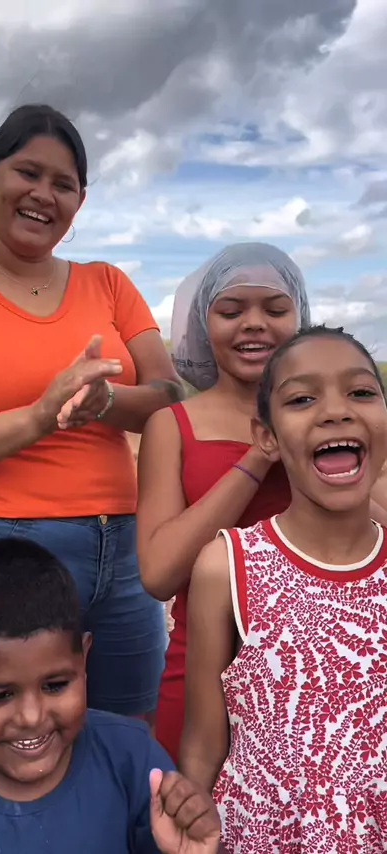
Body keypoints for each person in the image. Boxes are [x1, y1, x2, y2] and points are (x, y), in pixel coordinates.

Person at [0, 103, 183, 721]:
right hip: (0, 551)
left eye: (64, 184)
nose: (43, 195)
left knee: (128, 737)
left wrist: (106, 402)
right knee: (19, 743)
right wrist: (39, 417)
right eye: (28, 173)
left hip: (127, 552)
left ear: (80, 201)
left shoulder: (109, 284)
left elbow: (168, 397)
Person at [181, 325, 387, 851]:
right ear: (267, 437)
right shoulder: (226, 566)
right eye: (301, 399)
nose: (336, 411)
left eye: (361, 392)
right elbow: (203, 746)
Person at [0, 537, 221, 854]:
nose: (32, 717)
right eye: (0, 695)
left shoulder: (136, 764)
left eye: (55, 686)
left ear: (83, 663)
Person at [137, 242, 310, 762]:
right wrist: (258, 458)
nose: (253, 323)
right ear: (202, 323)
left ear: (300, 318)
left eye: (275, 309)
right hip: (199, 678)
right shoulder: (171, 425)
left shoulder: (334, 422)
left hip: (317, 678)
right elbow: (159, 574)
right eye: (231, 311)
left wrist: (311, 453)